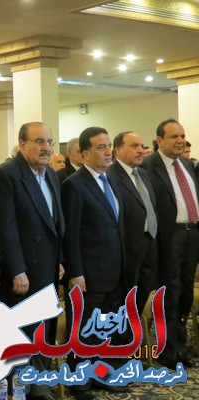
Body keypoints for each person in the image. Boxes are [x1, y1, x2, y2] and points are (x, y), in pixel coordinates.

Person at [0, 122, 64, 400]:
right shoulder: (6, 175)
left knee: (43, 329)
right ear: (22, 144)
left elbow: (55, 224)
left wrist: (59, 259)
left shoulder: (51, 174)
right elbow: (4, 228)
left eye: (50, 142)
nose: (46, 148)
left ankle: (38, 384)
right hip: (23, 273)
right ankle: (25, 391)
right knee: (22, 332)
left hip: (47, 268)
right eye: (39, 142)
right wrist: (17, 269)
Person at [62, 127, 126, 400]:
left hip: (114, 272)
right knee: (84, 331)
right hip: (88, 275)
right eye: (101, 147)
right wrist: (76, 272)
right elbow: (71, 234)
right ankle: (79, 383)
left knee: (105, 331)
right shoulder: (74, 185)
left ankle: (100, 376)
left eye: (109, 145)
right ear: (85, 154)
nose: (108, 151)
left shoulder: (112, 180)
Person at [141, 118, 199, 369]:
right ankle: (167, 350)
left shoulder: (186, 164)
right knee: (169, 295)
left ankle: (180, 348)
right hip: (167, 237)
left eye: (182, 136)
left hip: (191, 234)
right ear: (159, 140)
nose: (180, 141)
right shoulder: (147, 166)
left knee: (185, 293)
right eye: (174, 136)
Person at [107, 132, 158, 318]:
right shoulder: (110, 176)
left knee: (143, 291)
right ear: (118, 150)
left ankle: (133, 328)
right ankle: (123, 333)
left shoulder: (143, 174)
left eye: (142, 146)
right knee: (124, 299)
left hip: (149, 241)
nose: (140, 150)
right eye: (134, 146)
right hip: (127, 247)